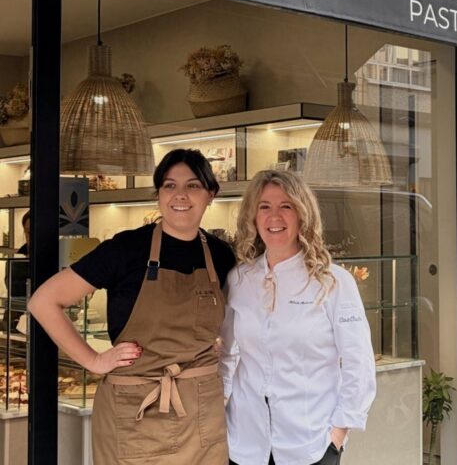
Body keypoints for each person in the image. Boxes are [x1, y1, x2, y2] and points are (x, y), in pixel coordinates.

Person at [28, 149, 235, 464]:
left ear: (211, 195)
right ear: (158, 195)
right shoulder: (125, 250)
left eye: (193, 186)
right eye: (169, 185)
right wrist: (94, 361)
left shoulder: (221, 256)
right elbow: (44, 301)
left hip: (203, 413)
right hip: (136, 414)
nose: (180, 195)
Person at [221, 170, 376, 465]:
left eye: (286, 206)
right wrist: (218, 409)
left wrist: (338, 433)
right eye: (264, 207)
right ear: (253, 217)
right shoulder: (239, 280)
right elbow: (227, 354)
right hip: (245, 443)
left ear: (303, 215)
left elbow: (359, 363)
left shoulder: (334, 282)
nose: (274, 217)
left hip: (310, 443)